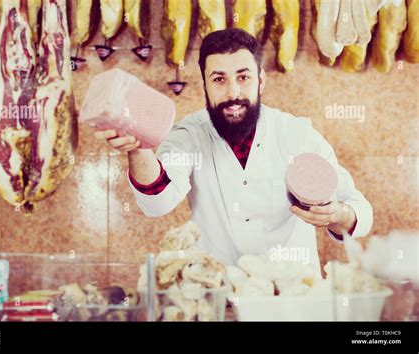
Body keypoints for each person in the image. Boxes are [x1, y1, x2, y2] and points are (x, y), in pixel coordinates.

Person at [95, 28, 373, 269]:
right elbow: (158, 201)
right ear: (204, 83)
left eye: (243, 77)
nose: (232, 93)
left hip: (292, 300)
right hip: (221, 301)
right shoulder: (189, 134)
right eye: (219, 79)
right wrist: (139, 147)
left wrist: (337, 214)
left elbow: (361, 211)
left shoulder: (295, 133)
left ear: (260, 80)